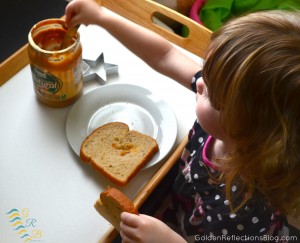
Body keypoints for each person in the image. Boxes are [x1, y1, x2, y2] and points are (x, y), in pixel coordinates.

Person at [65, 0, 300, 242]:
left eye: (211, 92)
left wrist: (167, 239)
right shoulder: (233, 115)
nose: (199, 82)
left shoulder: (244, 212)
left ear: (249, 131)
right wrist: (102, 16)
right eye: (205, 71)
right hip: (183, 200)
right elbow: (165, 55)